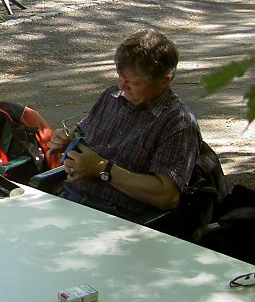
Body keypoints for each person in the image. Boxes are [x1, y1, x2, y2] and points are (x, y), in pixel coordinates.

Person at [47, 29, 201, 221]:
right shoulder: (112, 97)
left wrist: (102, 168)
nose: (121, 86)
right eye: (120, 77)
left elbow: (166, 196)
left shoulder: (177, 123)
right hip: (71, 199)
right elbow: (82, 137)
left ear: (163, 81)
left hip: (117, 218)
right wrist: (67, 142)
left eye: (132, 82)